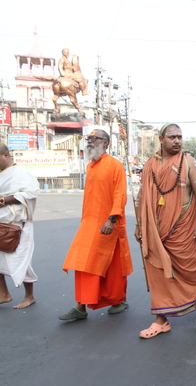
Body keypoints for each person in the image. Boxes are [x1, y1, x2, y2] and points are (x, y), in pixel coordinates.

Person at [135, 123, 196, 338]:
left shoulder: (188, 161)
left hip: (184, 227)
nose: (177, 141)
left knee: (193, 269)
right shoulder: (150, 164)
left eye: (180, 136)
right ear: (161, 139)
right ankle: (162, 320)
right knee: (160, 273)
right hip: (156, 230)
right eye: (172, 137)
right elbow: (142, 195)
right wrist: (140, 224)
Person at [60, 130, 133, 320]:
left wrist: (112, 219)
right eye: (88, 139)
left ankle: (116, 300)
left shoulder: (115, 165)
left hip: (110, 223)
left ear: (106, 143)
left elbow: (120, 195)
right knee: (84, 263)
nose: (90, 141)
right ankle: (82, 305)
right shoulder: (90, 166)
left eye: (95, 138)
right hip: (89, 223)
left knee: (109, 266)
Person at [0, 144, 39, 309]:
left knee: (20, 261)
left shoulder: (20, 172)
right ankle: (4, 294)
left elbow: (30, 192)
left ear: (6, 155)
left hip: (16, 226)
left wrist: (3, 200)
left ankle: (29, 296)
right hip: (1, 223)